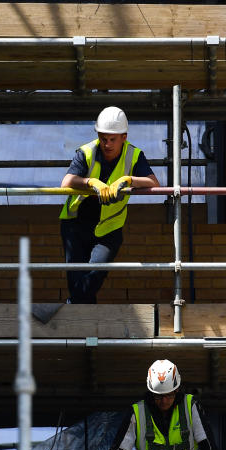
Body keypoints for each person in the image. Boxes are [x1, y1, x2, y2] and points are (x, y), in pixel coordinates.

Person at [58, 106, 159, 304]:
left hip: (109, 228)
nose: (107, 144)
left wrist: (129, 179)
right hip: (75, 225)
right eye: (103, 138)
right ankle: (85, 328)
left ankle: (72, 312)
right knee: (78, 281)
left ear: (124, 137)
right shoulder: (87, 151)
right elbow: (66, 182)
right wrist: (90, 182)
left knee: (94, 275)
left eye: (113, 139)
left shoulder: (134, 155)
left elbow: (153, 183)